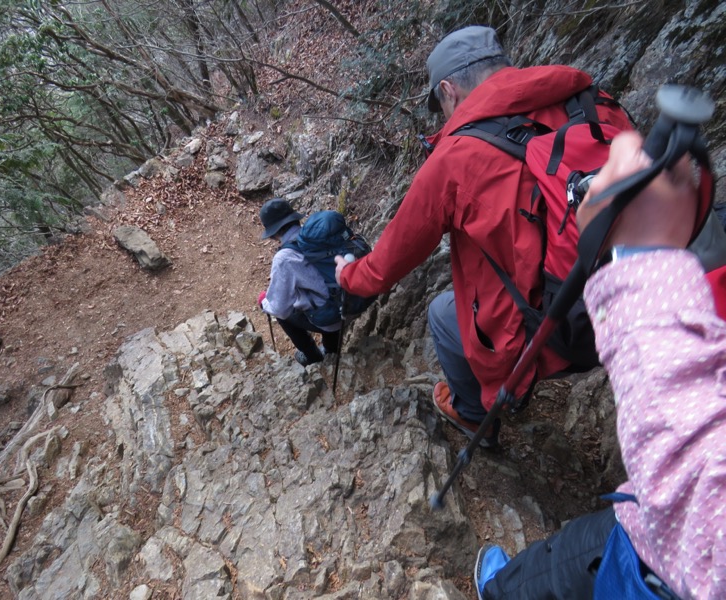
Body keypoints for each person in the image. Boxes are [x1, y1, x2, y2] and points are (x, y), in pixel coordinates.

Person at [336, 25, 631, 447]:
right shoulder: (592, 101)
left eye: (439, 104)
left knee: (441, 313)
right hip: (642, 297)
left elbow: (384, 267)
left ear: (448, 90)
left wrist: (348, 275)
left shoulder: (456, 158)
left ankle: (475, 417)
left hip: (562, 331)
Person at [474, 130, 725, 599]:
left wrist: (644, 259)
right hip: (665, 539)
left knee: (565, 563)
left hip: (661, 562)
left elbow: (697, 495)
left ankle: (498, 590)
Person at [258, 198, 340, 366]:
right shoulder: (315, 236)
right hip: (349, 305)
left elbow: (279, 307)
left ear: (274, 233)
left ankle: (313, 357)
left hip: (332, 318)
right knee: (324, 294)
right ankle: (331, 349)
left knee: (283, 314)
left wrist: (264, 302)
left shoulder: (284, 258)